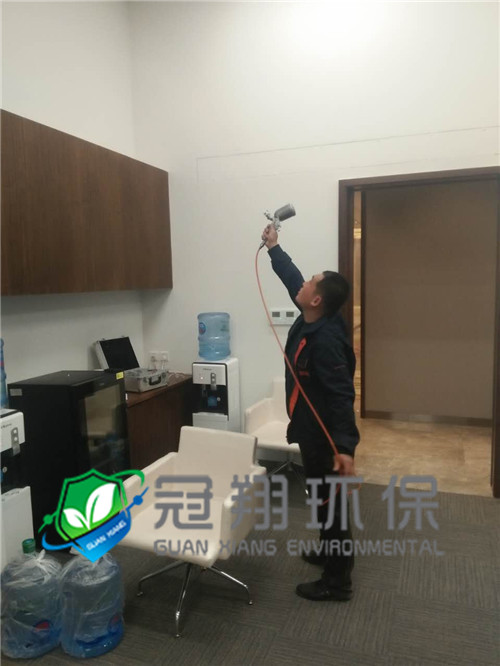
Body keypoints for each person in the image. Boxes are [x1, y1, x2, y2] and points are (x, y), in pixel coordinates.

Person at [261, 223, 360, 601]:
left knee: (331, 504)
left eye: (311, 283)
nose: (303, 284)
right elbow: (293, 280)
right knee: (321, 496)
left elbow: (341, 396)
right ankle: (328, 551)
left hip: (325, 435)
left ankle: (337, 582)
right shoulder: (314, 315)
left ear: (316, 300)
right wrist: (274, 248)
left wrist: (345, 448)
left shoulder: (327, 341)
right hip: (308, 427)